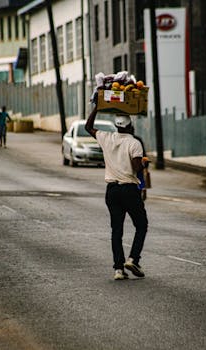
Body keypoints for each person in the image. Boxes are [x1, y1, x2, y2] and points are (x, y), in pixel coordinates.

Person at [85, 106, 148, 280]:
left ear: (117, 125)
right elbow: (136, 168)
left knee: (116, 230)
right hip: (129, 190)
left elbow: (88, 127)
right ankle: (133, 259)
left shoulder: (106, 137)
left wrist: (96, 108)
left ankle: (118, 269)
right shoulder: (134, 143)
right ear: (130, 126)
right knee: (141, 225)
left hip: (112, 191)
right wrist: (144, 163)